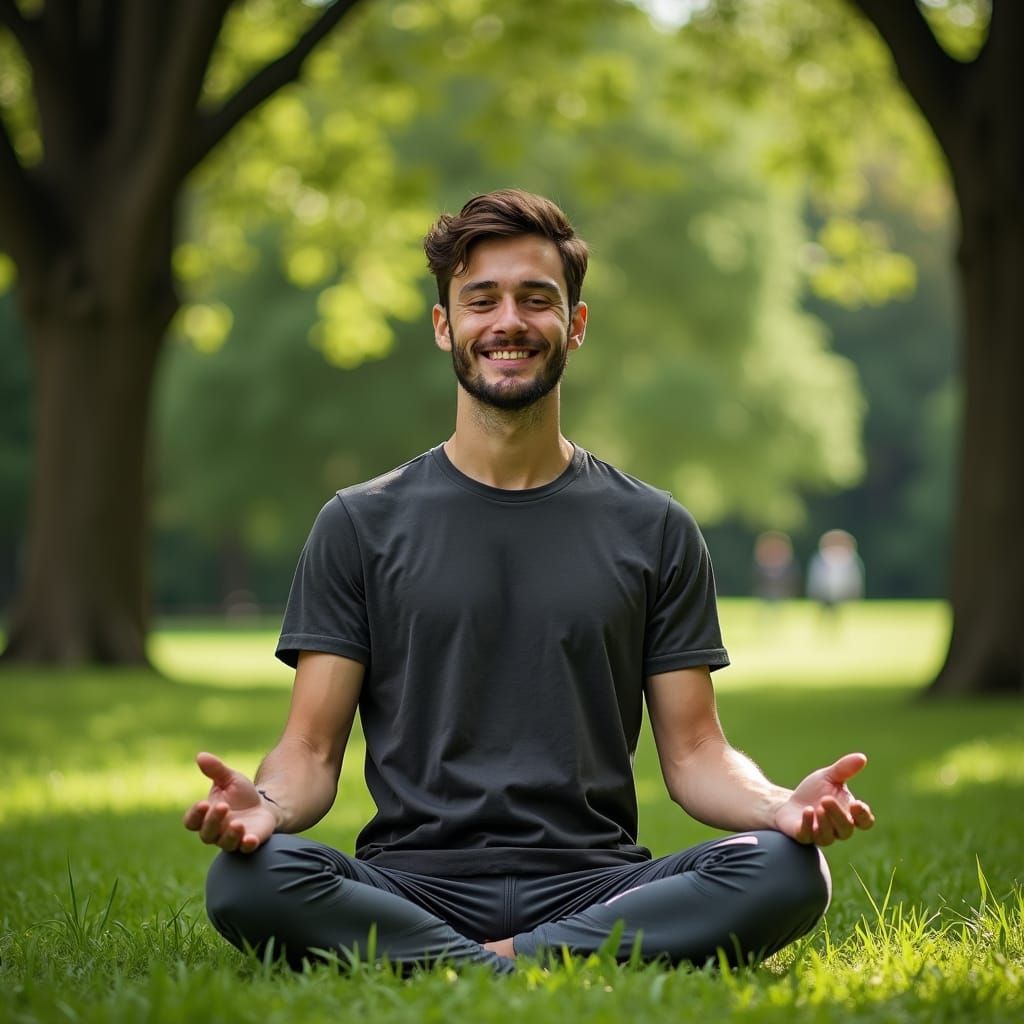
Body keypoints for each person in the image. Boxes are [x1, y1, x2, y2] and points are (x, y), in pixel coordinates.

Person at [184, 189, 874, 974]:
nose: (507, 321)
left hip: (597, 885)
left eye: (535, 300)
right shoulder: (358, 524)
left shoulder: (654, 528)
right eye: (481, 300)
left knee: (786, 868)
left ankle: (466, 964)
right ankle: (535, 962)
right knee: (249, 879)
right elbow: (308, 749)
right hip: (411, 885)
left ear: (574, 326)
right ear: (445, 325)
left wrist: (778, 806)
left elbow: (696, 753)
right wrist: (264, 809)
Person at [806, 529, 866, 619]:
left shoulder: (849, 557)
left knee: (837, 611)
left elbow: (854, 577)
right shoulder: (821, 557)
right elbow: (815, 576)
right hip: (824, 590)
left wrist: (854, 590)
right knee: (823, 610)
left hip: (841, 590)